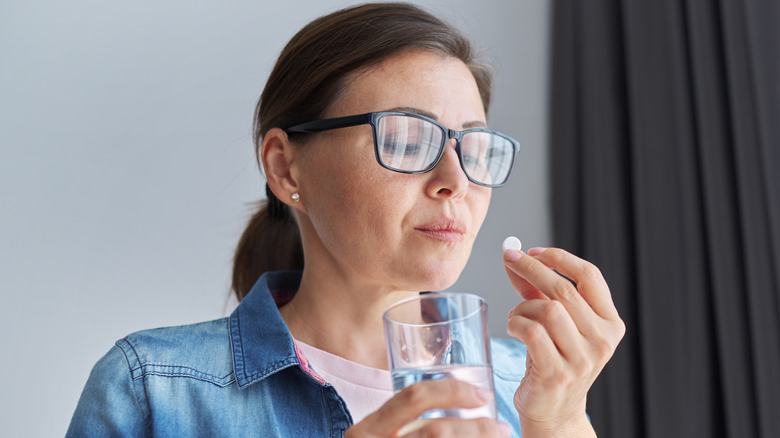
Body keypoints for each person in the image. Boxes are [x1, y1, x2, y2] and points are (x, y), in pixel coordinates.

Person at [67, 3, 625, 437]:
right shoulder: (154, 391)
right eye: (409, 138)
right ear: (286, 168)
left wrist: (560, 422)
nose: (455, 180)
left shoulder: (529, 384)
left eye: (474, 147)